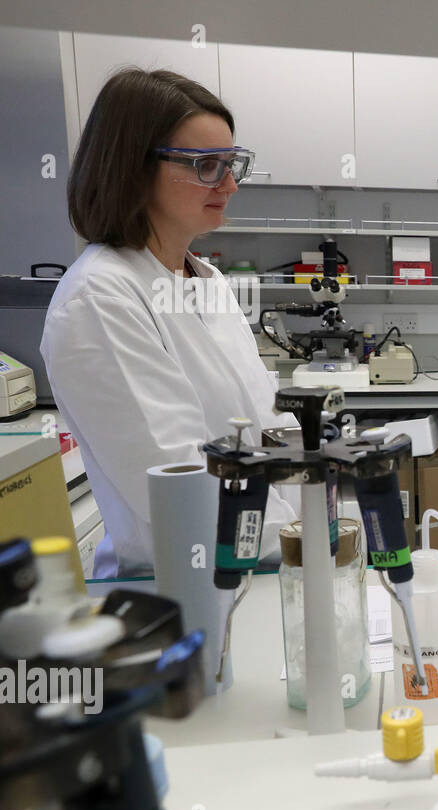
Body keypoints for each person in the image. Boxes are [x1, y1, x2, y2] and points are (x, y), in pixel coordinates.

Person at [41, 68, 296, 578]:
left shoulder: (208, 281)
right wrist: (304, 534)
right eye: (206, 166)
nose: (229, 185)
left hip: (264, 562)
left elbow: (261, 421)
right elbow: (180, 484)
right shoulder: (99, 299)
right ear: (134, 169)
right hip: (182, 586)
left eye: (231, 165)